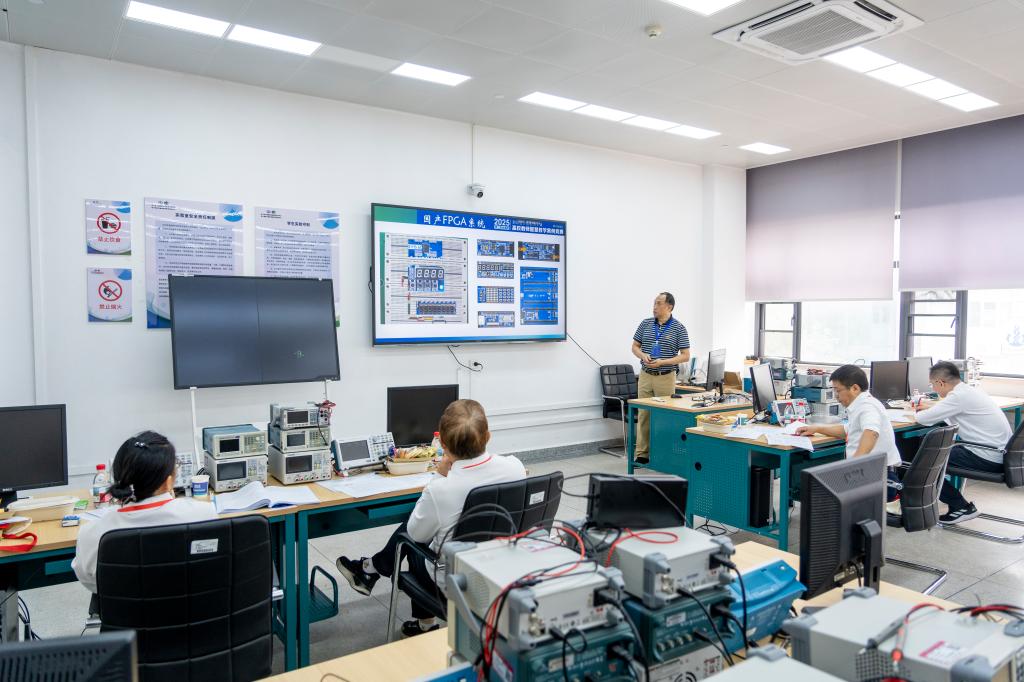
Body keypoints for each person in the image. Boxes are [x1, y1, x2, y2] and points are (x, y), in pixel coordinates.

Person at [336, 399, 526, 638]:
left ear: (442, 444)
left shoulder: (442, 490)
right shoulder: (516, 468)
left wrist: (438, 476)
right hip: (501, 570)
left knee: (413, 539)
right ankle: (379, 577)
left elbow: (415, 535)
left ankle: (373, 570)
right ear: (487, 436)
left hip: (454, 580)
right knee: (428, 523)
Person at [72, 431, 217, 593]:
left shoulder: (91, 533)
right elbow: (212, 568)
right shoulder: (205, 515)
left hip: (126, 609)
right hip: (192, 607)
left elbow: (92, 583)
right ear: (168, 482)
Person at [913, 361, 1012, 524]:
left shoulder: (958, 397)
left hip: (986, 457)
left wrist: (918, 411)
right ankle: (957, 505)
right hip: (1000, 455)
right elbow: (951, 415)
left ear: (940, 383)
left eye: (932, 385)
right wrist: (932, 410)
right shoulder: (969, 391)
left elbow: (923, 419)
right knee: (929, 455)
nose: (933, 389)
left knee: (922, 462)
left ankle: (960, 507)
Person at [795, 365, 902, 499]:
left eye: (838, 391)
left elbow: (871, 433)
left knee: (817, 491)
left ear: (855, 388)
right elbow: (847, 430)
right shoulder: (862, 404)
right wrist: (817, 428)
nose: (836, 396)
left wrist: (852, 467)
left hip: (876, 478)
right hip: (873, 474)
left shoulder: (867, 406)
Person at [631, 292, 691, 464]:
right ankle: (642, 454)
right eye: (654, 303)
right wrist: (643, 356)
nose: (654, 307)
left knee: (665, 417)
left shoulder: (679, 328)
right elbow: (635, 346)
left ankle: (664, 454)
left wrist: (663, 362)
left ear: (669, 307)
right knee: (644, 414)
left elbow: (685, 355)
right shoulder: (645, 324)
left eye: (658, 303)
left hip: (665, 376)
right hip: (645, 376)